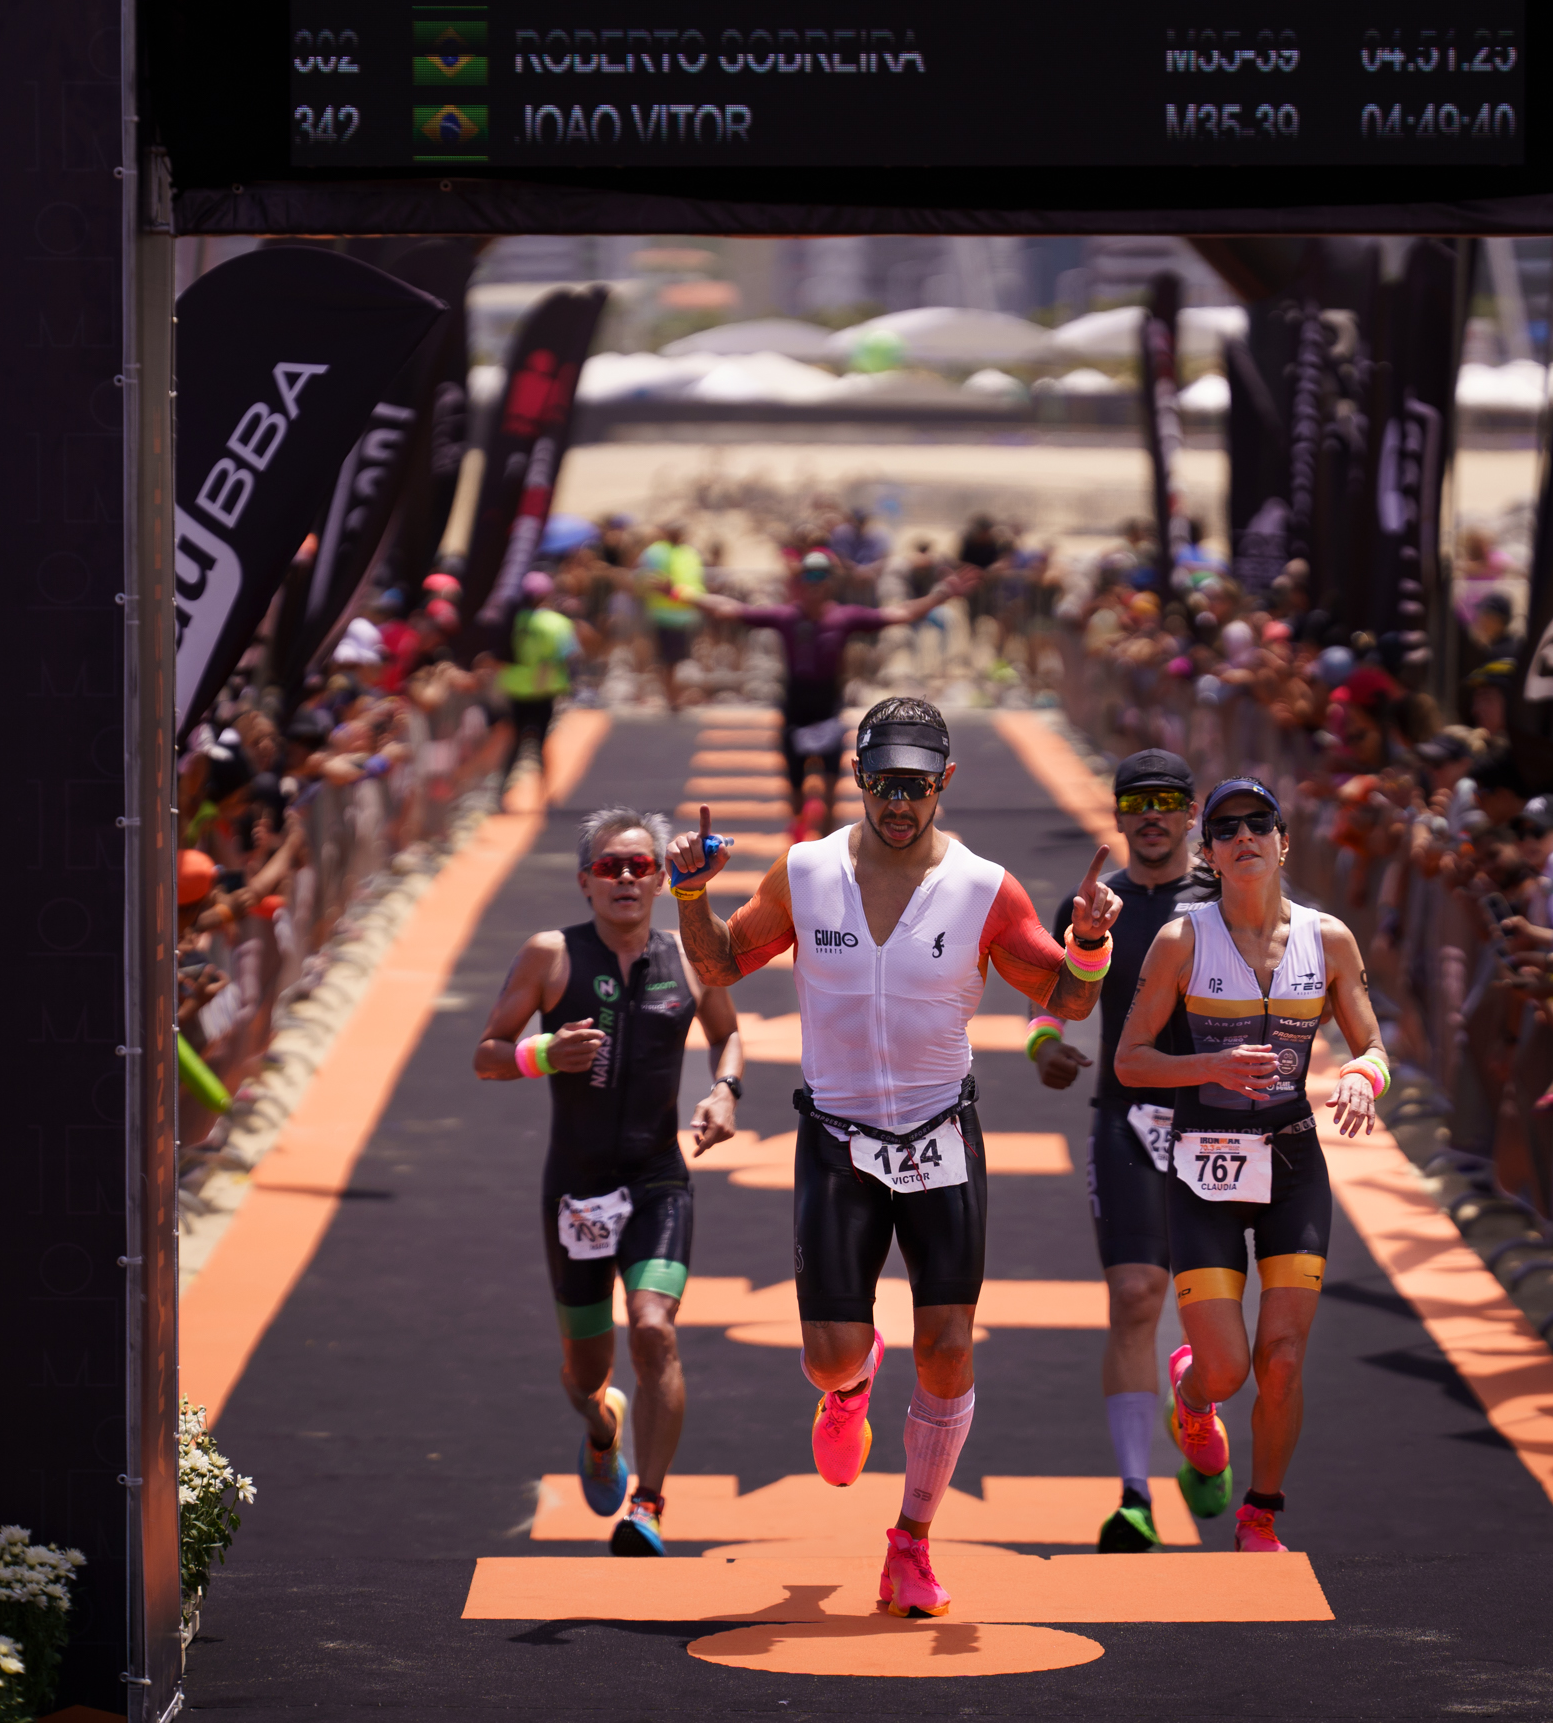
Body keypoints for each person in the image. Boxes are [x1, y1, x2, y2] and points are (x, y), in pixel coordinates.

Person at [667, 698, 1121, 1618]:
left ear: (944, 783)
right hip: (835, 1137)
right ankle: (851, 1385)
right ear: (859, 781)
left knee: (948, 1354)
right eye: (881, 784)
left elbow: (1066, 1001)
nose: (898, 803)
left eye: (915, 786)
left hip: (940, 1137)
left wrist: (1090, 939)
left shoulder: (985, 889)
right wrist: (688, 892)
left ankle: (910, 1542)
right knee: (828, 1360)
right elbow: (717, 968)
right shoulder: (804, 873)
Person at [1112, 777, 1390, 1554]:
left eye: (1258, 824)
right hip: (1205, 1165)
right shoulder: (1182, 940)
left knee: (1285, 1357)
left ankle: (1259, 1512)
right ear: (1208, 852)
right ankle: (1193, 1398)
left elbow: (1371, 1046)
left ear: (1281, 840)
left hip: (1293, 1158)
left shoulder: (1327, 939)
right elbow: (1131, 1062)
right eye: (1226, 828)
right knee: (1228, 1369)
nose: (1244, 838)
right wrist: (1209, 1069)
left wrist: (1363, 1079)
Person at [473, 808, 745, 1557]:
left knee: (654, 1328)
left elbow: (727, 1033)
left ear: (661, 877)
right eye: (609, 866)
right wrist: (542, 1054)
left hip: (659, 1177)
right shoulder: (550, 955)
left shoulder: (690, 955)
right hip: (577, 1190)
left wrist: (725, 1090)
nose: (625, 878)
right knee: (583, 1374)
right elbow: (487, 1052)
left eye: (639, 865)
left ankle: (647, 1504)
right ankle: (602, 1430)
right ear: (584, 880)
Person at [1021, 749, 1208, 1551]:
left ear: (1191, 812)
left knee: (1213, 1316)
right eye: (1139, 803)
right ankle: (1134, 1493)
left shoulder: (1230, 896)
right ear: (1120, 813)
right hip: (1125, 1118)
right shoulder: (1092, 903)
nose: (1154, 816)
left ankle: (1198, 1417)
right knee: (1135, 1295)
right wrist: (1043, 1050)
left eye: (1169, 802)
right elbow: (1049, 1009)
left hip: (1220, 1124)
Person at [696, 553, 979, 841]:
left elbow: (901, 613)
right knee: (795, 791)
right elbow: (728, 610)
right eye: (809, 578)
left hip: (828, 711)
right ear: (800, 584)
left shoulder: (843, 617)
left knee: (830, 787)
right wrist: (679, 593)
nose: (814, 586)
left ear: (830, 584)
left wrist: (941, 594)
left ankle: (825, 847)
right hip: (795, 710)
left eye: (821, 579)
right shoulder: (787, 616)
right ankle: (798, 841)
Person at [493, 570, 578, 800]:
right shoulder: (556, 623)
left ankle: (500, 793)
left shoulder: (512, 621)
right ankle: (546, 792)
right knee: (541, 742)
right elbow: (570, 655)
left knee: (514, 743)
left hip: (515, 687)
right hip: (543, 690)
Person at [637, 523, 705, 712]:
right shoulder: (655, 552)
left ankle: (677, 696)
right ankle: (671, 698)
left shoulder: (689, 553)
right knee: (667, 661)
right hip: (664, 615)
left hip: (686, 613)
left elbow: (693, 580)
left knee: (681, 660)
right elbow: (646, 579)